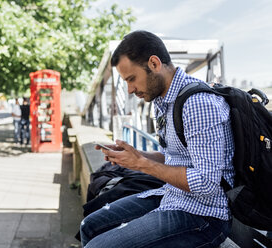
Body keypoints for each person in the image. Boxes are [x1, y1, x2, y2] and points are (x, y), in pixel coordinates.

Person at [79, 31, 235, 248]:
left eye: (132, 79)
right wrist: (136, 155)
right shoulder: (164, 101)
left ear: (154, 63)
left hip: (203, 216)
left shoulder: (198, 103)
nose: (130, 90)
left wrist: (142, 165)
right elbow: (174, 157)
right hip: (172, 195)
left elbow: (207, 183)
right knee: (89, 225)